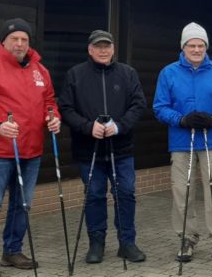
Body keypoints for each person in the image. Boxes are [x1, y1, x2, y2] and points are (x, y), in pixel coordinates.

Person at [0, 18, 61, 277]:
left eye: (24, 39)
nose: (19, 44)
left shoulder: (41, 70)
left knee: (22, 205)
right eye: (14, 39)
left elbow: (49, 101)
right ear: (3, 41)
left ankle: (12, 251)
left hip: (32, 150)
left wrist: (53, 117)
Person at [58, 30, 147, 263]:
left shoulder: (128, 74)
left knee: (125, 195)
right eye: (98, 46)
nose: (103, 50)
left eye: (107, 46)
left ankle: (127, 243)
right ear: (90, 49)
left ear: (113, 48)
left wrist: (119, 126)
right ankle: (96, 243)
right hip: (90, 150)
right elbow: (65, 109)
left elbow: (138, 105)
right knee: (95, 196)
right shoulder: (75, 74)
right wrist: (88, 127)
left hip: (122, 149)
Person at [153, 22, 212, 264]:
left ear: (206, 47)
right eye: (192, 45)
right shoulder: (168, 72)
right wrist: (180, 119)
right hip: (182, 141)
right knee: (183, 192)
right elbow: (160, 107)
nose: (197, 49)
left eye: (201, 45)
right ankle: (186, 238)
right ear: (183, 47)